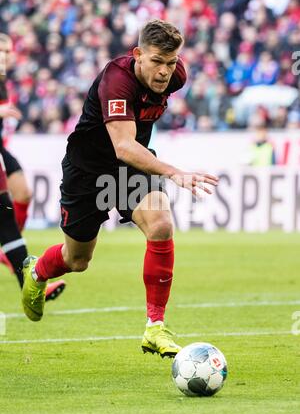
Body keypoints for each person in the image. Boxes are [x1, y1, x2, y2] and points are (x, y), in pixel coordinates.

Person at [21, 20, 218, 357]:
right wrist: (174, 172)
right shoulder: (117, 80)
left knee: (160, 224)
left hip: (130, 170)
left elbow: (129, 155)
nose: (163, 72)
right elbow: (123, 145)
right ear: (138, 54)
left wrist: (162, 172)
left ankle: (155, 326)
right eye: (156, 61)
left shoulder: (176, 75)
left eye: (170, 63)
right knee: (77, 260)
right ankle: (37, 271)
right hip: (87, 172)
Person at [0, 32, 66, 300]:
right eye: (1, 51)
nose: (5, 56)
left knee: (14, 211)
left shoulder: (4, 81)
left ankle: (26, 279)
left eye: (7, 51)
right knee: (7, 223)